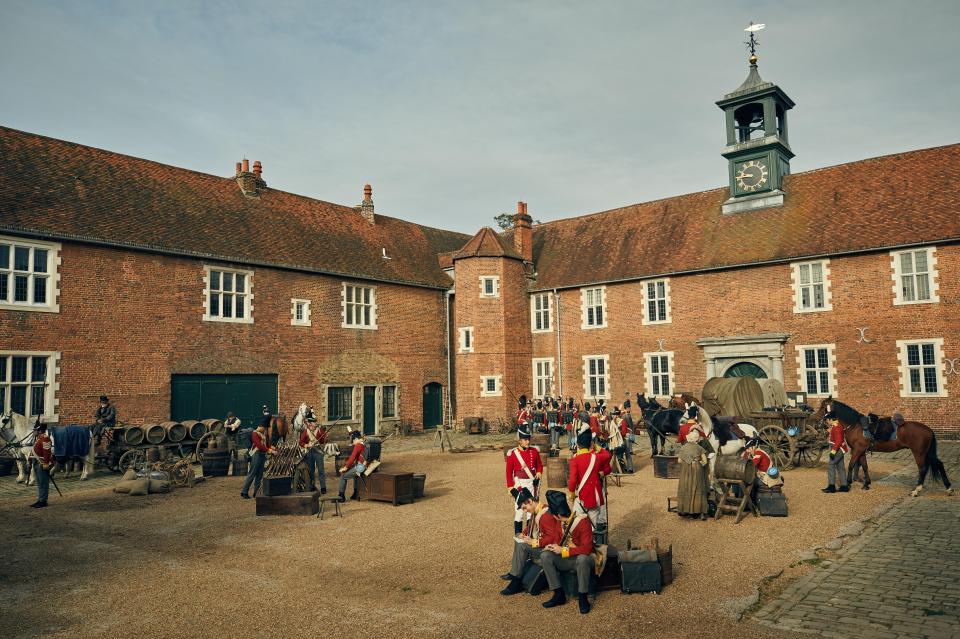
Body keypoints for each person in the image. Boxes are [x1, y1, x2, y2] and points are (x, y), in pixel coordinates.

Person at [500, 488, 565, 594]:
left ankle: (515, 580)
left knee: (522, 546)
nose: (525, 511)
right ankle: (515, 574)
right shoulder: (538, 511)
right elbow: (531, 527)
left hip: (550, 551)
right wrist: (523, 534)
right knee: (519, 540)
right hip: (542, 546)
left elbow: (553, 538)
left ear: (530, 501)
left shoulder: (545, 515)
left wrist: (534, 542)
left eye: (525, 508)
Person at [540, 497, 595, 614]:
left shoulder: (582, 521)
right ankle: (558, 594)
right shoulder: (559, 522)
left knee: (582, 559)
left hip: (583, 560)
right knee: (545, 556)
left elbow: (587, 548)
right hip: (568, 558)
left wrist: (564, 551)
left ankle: (583, 596)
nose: (553, 517)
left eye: (554, 515)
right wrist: (551, 546)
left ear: (559, 515)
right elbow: (556, 539)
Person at [506, 427, 543, 534]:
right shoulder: (513, 454)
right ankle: (518, 535)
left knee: (530, 511)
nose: (527, 441)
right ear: (519, 440)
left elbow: (539, 465)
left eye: (528, 439)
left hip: (531, 484)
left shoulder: (534, 451)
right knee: (519, 511)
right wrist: (510, 487)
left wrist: (539, 473)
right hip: (519, 484)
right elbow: (508, 472)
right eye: (525, 439)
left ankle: (529, 534)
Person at [568, 427, 608, 528]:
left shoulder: (575, 460)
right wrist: (597, 447)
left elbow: (572, 481)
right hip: (595, 496)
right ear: (590, 444)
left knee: (575, 523)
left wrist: (572, 494)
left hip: (582, 496)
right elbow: (608, 455)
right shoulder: (597, 457)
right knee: (592, 526)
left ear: (577, 445)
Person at [676, 429, 709, 519]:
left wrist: (687, 461)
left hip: (686, 470)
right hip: (697, 468)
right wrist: (698, 463)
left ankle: (685, 509)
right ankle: (700, 511)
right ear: (697, 439)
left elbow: (679, 461)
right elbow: (705, 461)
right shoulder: (699, 448)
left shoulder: (683, 448)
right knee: (698, 487)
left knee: (686, 487)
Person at [240, 422, 275, 498]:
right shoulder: (254, 434)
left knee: (259, 475)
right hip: (256, 455)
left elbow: (265, 444)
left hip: (262, 455)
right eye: (264, 428)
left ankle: (256, 492)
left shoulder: (262, 434)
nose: (265, 429)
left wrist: (271, 447)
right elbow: (259, 446)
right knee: (252, 474)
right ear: (260, 426)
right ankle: (244, 492)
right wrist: (270, 450)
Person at [298, 417, 328, 493]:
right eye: (314, 423)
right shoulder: (306, 431)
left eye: (315, 422)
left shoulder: (320, 430)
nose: (316, 424)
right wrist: (307, 445)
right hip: (310, 452)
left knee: (321, 470)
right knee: (311, 470)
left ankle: (323, 487)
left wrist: (325, 436)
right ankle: (312, 486)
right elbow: (301, 443)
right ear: (311, 424)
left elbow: (323, 440)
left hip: (318, 451)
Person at [338, 431, 366, 502]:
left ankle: (341, 497)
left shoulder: (358, 445)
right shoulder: (364, 443)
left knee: (343, 476)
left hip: (361, 467)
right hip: (366, 465)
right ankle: (355, 494)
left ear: (356, 438)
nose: (352, 442)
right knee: (355, 475)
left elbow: (352, 458)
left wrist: (345, 468)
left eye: (353, 440)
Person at [30, 422, 54, 508]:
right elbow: (33, 450)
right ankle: (40, 499)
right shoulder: (38, 438)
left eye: (35, 430)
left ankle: (43, 501)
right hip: (36, 462)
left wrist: (46, 463)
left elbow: (47, 452)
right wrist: (29, 460)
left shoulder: (45, 438)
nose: (33, 432)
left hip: (42, 463)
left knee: (43, 483)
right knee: (39, 482)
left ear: (40, 431)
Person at [823, 417, 850, 493]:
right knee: (840, 467)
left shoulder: (837, 427)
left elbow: (838, 441)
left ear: (831, 419)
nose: (827, 422)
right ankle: (844, 486)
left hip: (838, 449)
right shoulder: (836, 426)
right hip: (840, 448)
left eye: (827, 420)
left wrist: (833, 452)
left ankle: (831, 486)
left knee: (831, 465)